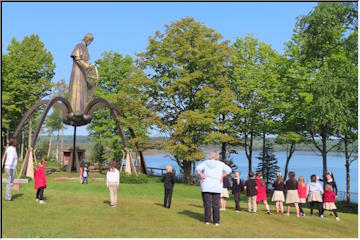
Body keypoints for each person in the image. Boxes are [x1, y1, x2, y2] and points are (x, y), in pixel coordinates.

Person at [196, 150, 232, 226]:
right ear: (217, 156)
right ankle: (216, 221)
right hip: (216, 186)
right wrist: (222, 176)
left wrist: (201, 175)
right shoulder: (220, 164)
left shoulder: (205, 163)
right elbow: (229, 170)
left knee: (207, 204)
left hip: (206, 185)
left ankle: (207, 220)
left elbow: (197, 168)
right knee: (216, 205)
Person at [68, 33, 96, 114]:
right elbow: (77, 58)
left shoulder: (85, 48)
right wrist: (87, 66)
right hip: (77, 72)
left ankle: (81, 109)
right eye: (90, 40)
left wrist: (90, 68)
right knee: (76, 88)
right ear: (87, 39)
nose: (90, 43)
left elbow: (85, 61)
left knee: (82, 89)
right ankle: (74, 109)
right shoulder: (79, 46)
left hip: (83, 73)